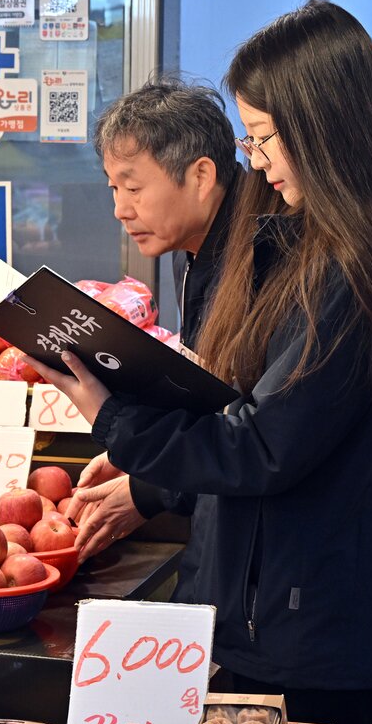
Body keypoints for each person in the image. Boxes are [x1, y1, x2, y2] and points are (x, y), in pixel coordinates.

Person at [29, 0, 372, 724]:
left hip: (317, 625)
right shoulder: (326, 247)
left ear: (324, 130)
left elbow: (262, 445)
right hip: (294, 611)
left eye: (263, 138)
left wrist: (112, 415)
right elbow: (250, 412)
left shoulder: (351, 271)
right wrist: (152, 470)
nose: (255, 161)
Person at [70, 78, 243, 558]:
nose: (120, 210)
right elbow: (214, 402)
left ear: (202, 176)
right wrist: (152, 483)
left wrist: (120, 428)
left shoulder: (263, 258)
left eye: (133, 188)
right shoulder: (189, 248)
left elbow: (253, 442)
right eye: (113, 188)